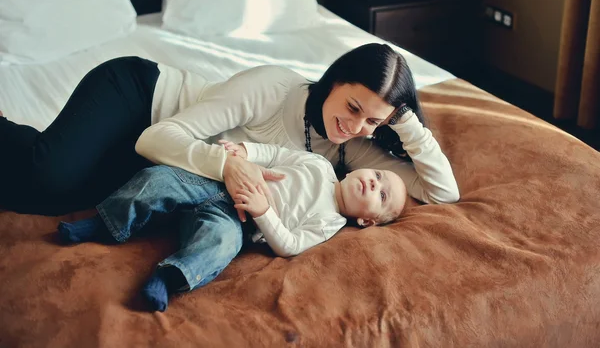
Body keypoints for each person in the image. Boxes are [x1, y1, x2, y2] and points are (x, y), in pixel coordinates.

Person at [0, 43, 459, 216]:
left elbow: (441, 194)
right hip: (139, 98)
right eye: (354, 106)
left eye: (373, 121)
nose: (355, 126)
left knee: (60, 199)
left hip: (164, 157)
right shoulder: (273, 88)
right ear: (333, 79)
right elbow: (156, 136)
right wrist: (228, 167)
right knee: (49, 174)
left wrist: (405, 121)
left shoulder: (352, 146)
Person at [57, 140, 409, 312]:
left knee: (221, 245)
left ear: (366, 221)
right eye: (377, 176)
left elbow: (289, 245)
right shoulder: (318, 164)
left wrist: (262, 212)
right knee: (157, 179)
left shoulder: (330, 221)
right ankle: (106, 223)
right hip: (215, 183)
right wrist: (243, 151)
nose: (374, 184)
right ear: (359, 171)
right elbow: (274, 155)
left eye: (381, 195)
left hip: (235, 220)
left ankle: (168, 277)